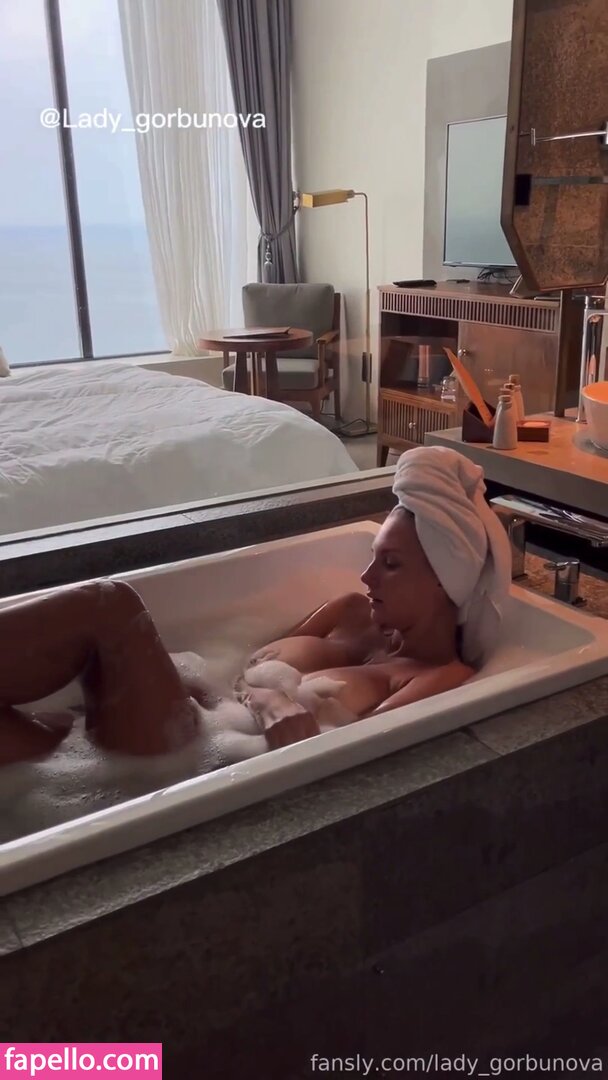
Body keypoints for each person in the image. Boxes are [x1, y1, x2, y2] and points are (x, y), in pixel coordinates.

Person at [0, 447, 511, 767]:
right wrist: (256, 697)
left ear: (443, 582)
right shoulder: (348, 610)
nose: (366, 576)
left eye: (391, 565)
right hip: (184, 721)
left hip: (187, 756)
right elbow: (236, 677)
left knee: (110, 607)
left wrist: (261, 703)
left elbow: (348, 756)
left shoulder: (439, 675)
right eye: (373, 556)